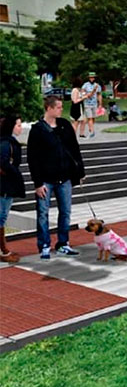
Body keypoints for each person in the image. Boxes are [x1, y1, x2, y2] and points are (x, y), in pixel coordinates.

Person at [27, 96, 86, 259]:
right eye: (58, 107)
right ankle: (44, 245)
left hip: (64, 177)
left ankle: (63, 243)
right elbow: (32, 158)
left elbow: (74, 149)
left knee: (65, 212)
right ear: (49, 108)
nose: (61, 110)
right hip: (45, 179)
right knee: (43, 213)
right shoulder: (37, 130)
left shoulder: (65, 125)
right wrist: (38, 183)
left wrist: (80, 171)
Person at [0, 116, 25, 263]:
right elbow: (4, 163)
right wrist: (14, 173)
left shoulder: (8, 142)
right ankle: (3, 251)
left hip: (7, 184)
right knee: (1, 217)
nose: (21, 128)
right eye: (18, 125)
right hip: (4, 185)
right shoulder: (6, 144)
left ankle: (3, 250)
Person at [81, 72, 102, 138]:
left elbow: (99, 95)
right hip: (87, 104)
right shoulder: (85, 85)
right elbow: (83, 93)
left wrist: (100, 104)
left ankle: (91, 128)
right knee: (89, 117)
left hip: (94, 104)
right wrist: (85, 94)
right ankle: (92, 131)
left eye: (93, 77)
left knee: (93, 117)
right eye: (90, 77)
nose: (92, 79)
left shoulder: (97, 85)